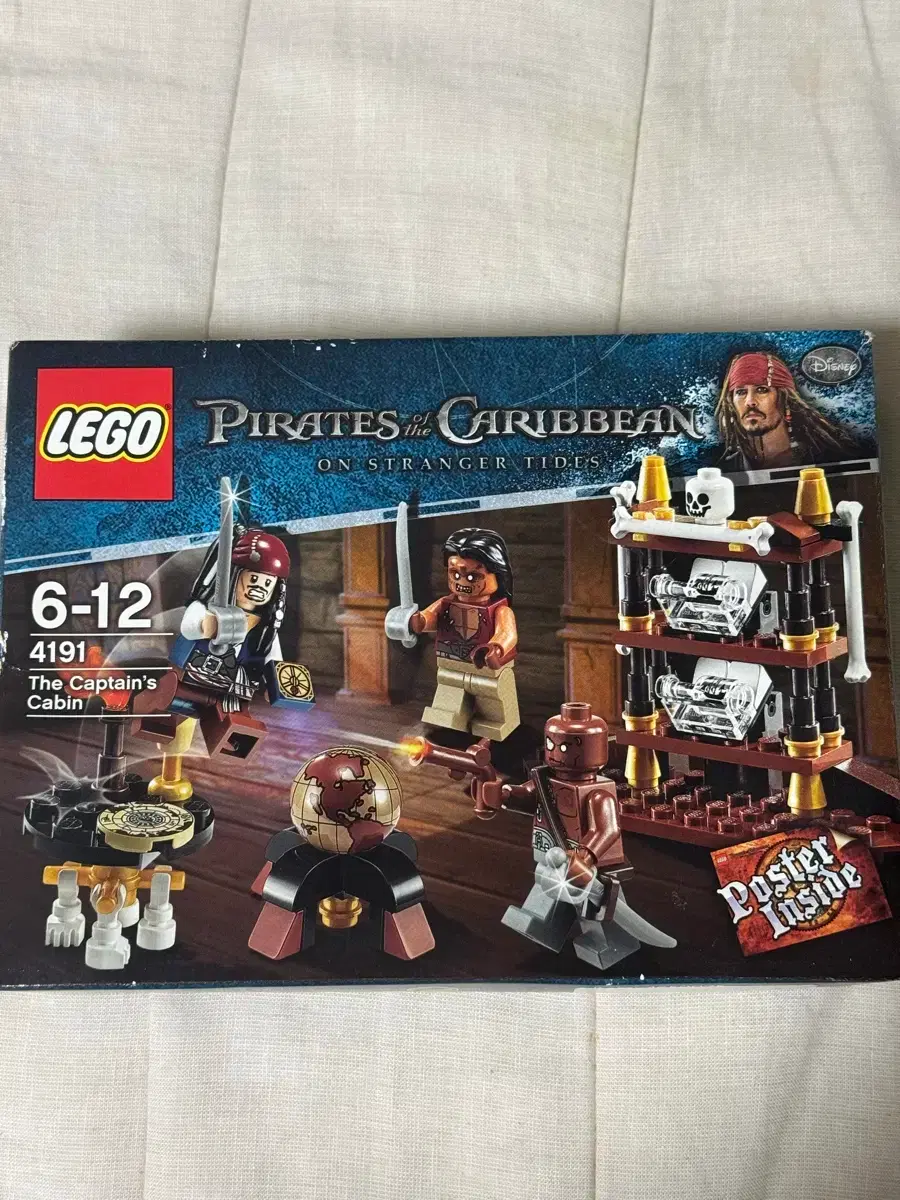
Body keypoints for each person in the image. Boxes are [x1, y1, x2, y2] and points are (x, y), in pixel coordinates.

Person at [715, 351, 860, 470]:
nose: (750, 401)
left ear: (784, 398)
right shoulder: (726, 470)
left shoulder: (828, 457)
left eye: (762, 390)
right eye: (741, 392)